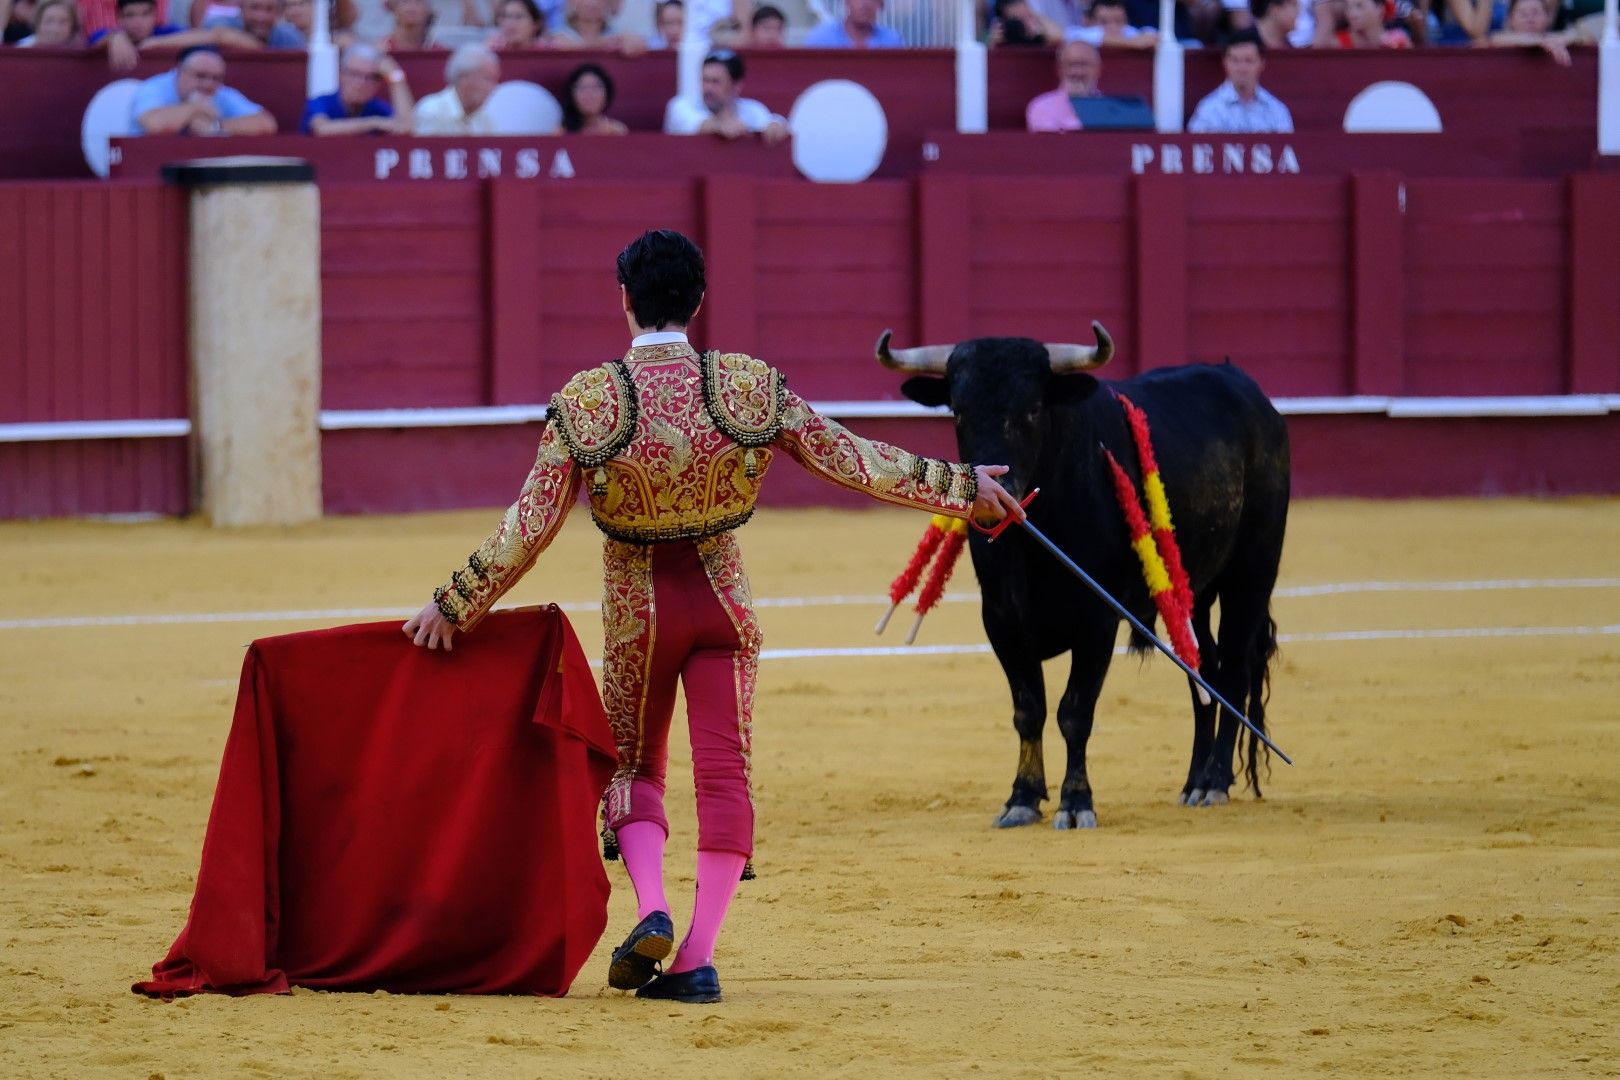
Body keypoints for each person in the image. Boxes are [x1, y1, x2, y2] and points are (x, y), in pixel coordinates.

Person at [401, 229, 1023, 1005]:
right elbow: (851, 456)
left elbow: (528, 529)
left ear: (623, 300)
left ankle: (653, 906)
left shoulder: (591, 399)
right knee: (726, 776)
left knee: (634, 768)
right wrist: (964, 487)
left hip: (639, 612)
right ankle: (697, 956)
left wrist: (454, 601)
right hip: (725, 608)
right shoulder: (748, 385)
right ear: (698, 302)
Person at [129, 43, 277, 134]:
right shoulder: (154, 88)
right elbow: (156, 125)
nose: (208, 84)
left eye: (216, 78)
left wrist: (216, 127)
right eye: (200, 76)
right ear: (179, 71)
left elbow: (266, 124)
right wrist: (195, 107)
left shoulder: (220, 92)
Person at [664, 50, 788, 144]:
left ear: (736, 86)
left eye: (716, 82)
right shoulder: (681, 105)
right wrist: (719, 126)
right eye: (705, 80)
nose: (708, 88)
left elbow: (772, 123)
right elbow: (694, 123)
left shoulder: (752, 109)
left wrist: (776, 125)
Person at [1186, 31, 1293, 132]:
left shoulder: (1275, 110)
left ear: (1261, 63)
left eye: (1248, 60)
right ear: (1225, 63)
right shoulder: (1210, 109)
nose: (1242, 68)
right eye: (1235, 60)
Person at [302, 44, 415, 134]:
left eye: (370, 77)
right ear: (341, 75)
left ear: (377, 84)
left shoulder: (377, 108)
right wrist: (373, 122)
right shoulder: (321, 102)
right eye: (354, 74)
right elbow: (322, 129)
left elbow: (406, 127)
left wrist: (395, 77)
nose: (361, 83)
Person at [414, 42, 500, 133]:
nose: (494, 88)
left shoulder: (485, 120)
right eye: (488, 79)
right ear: (465, 79)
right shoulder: (431, 112)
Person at [1025, 38, 1100, 132]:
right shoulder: (1041, 106)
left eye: (1084, 64)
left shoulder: (1112, 109)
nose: (1077, 72)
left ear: (1097, 69)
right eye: (1071, 65)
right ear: (1060, 69)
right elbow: (1054, 142)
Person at [1485, 0, 1574, 63]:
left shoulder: (1554, 39)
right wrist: (1541, 41)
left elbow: (1577, 35)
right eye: (1523, 14)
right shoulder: (1501, 39)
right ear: (1510, 20)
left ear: (1548, 18)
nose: (1530, 19)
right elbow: (1494, 38)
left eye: (1535, 12)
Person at [202, 0, 305, 47]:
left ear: (279, 13)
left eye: (269, 9)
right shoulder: (220, 22)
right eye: (255, 8)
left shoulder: (290, 38)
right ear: (241, 9)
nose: (261, 17)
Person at [562, 61, 627, 133]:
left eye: (596, 87)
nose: (589, 94)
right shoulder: (562, 132)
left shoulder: (616, 131)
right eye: (582, 88)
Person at [803, 0, 902, 46]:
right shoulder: (820, 39)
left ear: (881, 5)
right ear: (846, 2)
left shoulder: (892, 41)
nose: (865, 4)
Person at [1065, 0, 1157, 45]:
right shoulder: (1078, 34)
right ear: (1089, 22)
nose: (1112, 27)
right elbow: (1073, 35)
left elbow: (1151, 35)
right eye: (1104, 22)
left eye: (1118, 21)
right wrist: (1131, 43)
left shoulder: (1132, 33)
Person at [16, 0, 80, 44]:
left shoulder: (81, 54)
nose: (55, 29)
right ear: (38, 23)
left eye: (63, 22)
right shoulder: (20, 49)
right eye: (49, 21)